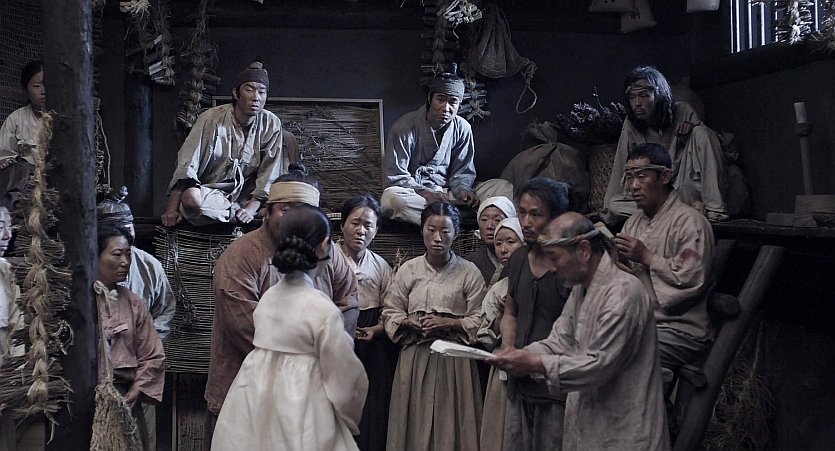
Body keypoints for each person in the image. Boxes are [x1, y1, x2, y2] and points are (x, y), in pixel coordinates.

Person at [204, 164, 359, 449]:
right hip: (248, 395)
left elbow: (349, 300)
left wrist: (327, 358)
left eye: (303, 211)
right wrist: (305, 363)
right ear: (267, 211)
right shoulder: (240, 256)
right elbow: (245, 327)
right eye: (286, 210)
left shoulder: (329, 253)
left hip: (312, 399)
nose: (294, 219)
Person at [488, 212, 670, 450]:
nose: (552, 268)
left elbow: (599, 365)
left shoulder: (624, 292)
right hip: (590, 423)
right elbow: (560, 340)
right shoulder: (581, 289)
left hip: (626, 429)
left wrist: (536, 364)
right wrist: (520, 354)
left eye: (555, 257)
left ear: (584, 250)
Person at [614, 143, 715, 395]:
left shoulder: (690, 222)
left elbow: (691, 279)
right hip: (640, 322)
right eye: (630, 177)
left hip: (679, 329)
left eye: (641, 176)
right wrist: (615, 263)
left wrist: (646, 257)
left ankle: (658, 408)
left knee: (623, 355)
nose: (633, 186)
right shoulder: (632, 223)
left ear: (665, 176)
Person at [383, 202, 486, 450]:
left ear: (456, 233)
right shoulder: (409, 270)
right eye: (431, 230)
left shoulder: (469, 272)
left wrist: (450, 323)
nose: (437, 238)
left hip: (455, 360)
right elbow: (390, 310)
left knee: (452, 422)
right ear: (422, 230)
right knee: (413, 421)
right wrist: (407, 321)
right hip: (416, 358)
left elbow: (481, 317)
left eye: (445, 231)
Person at [380, 65, 513, 224]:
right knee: (391, 200)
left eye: (453, 102)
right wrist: (426, 193)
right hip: (417, 194)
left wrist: (463, 191)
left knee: (503, 188)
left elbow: (463, 171)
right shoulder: (404, 127)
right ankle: (455, 220)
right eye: (440, 99)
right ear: (430, 99)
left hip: (449, 194)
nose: (446, 108)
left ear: (459, 104)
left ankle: (444, 217)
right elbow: (395, 176)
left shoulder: (462, 128)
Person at [96, 188, 175, 451]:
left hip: (134, 384)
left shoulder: (148, 269)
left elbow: (164, 312)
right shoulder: (83, 296)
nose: (124, 261)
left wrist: (145, 343)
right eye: (117, 254)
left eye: (127, 254)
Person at [162, 61, 284, 226]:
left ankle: (246, 212)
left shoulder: (271, 123)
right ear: (235, 93)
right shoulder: (211, 119)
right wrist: (171, 209)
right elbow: (187, 163)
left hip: (250, 197)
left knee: (282, 203)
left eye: (262, 92)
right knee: (190, 199)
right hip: (212, 194)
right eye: (249, 90)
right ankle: (234, 212)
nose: (256, 97)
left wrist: (251, 208)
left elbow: (270, 171)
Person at [603, 65, 727, 225]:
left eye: (644, 95)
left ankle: (715, 209)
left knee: (701, 132)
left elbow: (706, 148)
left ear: (659, 95)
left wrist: (691, 131)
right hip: (657, 193)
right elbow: (621, 162)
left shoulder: (682, 110)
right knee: (615, 205)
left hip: (684, 187)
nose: (637, 103)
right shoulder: (631, 124)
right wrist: (607, 214)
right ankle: (680, 214)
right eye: (632, 97)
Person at [498, 177, 570, 451]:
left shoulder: (567, 265)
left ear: (555, 218)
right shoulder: (518, 259)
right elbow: (510, 312)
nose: (526, 222)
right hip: (520, 379)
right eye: (522, 212)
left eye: (536, 214)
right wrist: (508, 348)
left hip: (555, 382)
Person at [337, 194, 397, 451]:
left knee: (370, 407)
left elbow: (392, 308)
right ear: (342, 225)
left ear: (376, 230)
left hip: (371, 338)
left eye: (368, 225)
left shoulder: (381, 266)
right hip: (335, 339)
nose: (361, 231)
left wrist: (378, 329)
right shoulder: (328, 259)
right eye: (355, 223)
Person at [477, 217, 525, 451]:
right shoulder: (498, 288)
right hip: (502, 370)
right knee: (499, 434)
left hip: (532, 366)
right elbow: (483, 334)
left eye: (510, 242)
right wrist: (503, 317)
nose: (504, 249)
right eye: (498, 243)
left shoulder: (541, 280)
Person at [0, 60, 45, 207]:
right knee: (20, 169)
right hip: (25, 184)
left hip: (54, 181)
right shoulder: (16, 119)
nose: (43, 91)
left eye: (47, 84)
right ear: (26, 90)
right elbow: (4, 156)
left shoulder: (63, 119)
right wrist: (6, 162)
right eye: (37, 86)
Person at [465, 196, 517, 286]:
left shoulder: (523, 261)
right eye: (484, 220)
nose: (489, 226)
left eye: (497, 220)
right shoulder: (470, 262)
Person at [0, 205, 18, 451]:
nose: (7, 235)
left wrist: (12, 384)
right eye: (0, 227)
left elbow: (18, 329)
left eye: (9, 227)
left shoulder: (6, 272)